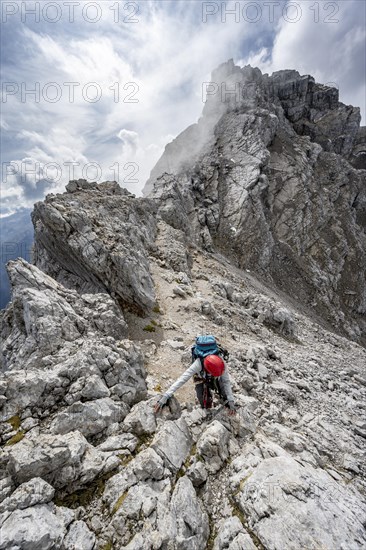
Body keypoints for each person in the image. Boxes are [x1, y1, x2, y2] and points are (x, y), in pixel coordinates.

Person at [154, 353, 237, 415]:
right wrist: (165, 396)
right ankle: (206, 409)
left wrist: (231, 399)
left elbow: (226, 381)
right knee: (201, 396)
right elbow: (182, 379)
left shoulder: (222, 364)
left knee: (222, 387)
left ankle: (226, 402)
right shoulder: (197, 365)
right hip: (200, 375)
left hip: (214, 373)